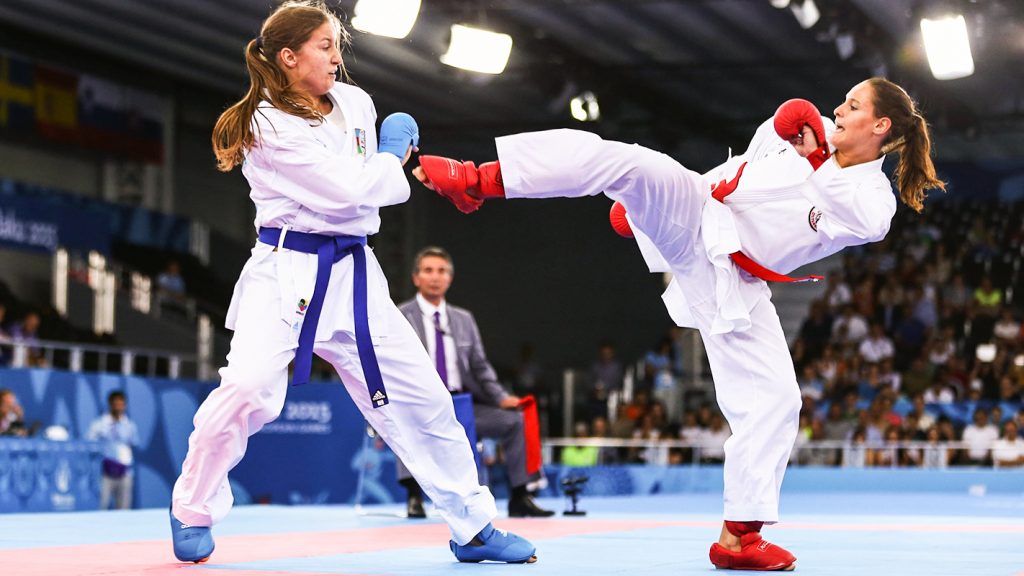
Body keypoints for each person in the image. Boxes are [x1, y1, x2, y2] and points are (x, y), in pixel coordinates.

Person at [413, 77, 944, 571]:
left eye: (853, 105)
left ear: (880, 126)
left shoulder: (872, 197)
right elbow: (737, 174)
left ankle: (739, 538)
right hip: (696, 213)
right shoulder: (804, 130)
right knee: (627, 162)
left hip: (734, 281)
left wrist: (817, 159)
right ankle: (477, 180)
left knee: (778, 401)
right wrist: (649, 216)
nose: (838, 110)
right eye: (843, 101)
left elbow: (866, 224)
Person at [168, 1, 535, 565]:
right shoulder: (266, 125)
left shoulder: (357, 103)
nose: (337, 58)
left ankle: (473, 526)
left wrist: (397, 168)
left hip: (355, 273)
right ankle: (192, 508)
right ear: (288, 57)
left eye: (338, 46)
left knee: (425, 396)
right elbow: (349, 192)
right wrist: (390, 157)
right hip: (285, 270)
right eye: (325, 47)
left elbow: (368, 199)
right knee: (246, 389)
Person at [395, 247, 553, 518]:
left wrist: (501, 397)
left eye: (441, 271)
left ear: (450, 278)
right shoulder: (400, 316)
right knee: (404, 420)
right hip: (421, 404)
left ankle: (520, 496)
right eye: (428, 270)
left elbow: (480, 366)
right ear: (416, 277)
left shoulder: (463, 319)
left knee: (515, 421)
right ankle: (414, 497)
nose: (435, 277)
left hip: (463, 404)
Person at [87, 391, 140, 510]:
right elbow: (90, 444)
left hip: (125, 472)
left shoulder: (130, 425)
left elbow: (133, 444)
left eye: (121, 404)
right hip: (104, 472)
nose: (118, 407)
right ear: (110, 404)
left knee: (124, 508)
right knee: (101, 506)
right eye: (116, 404)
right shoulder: (99, 424)